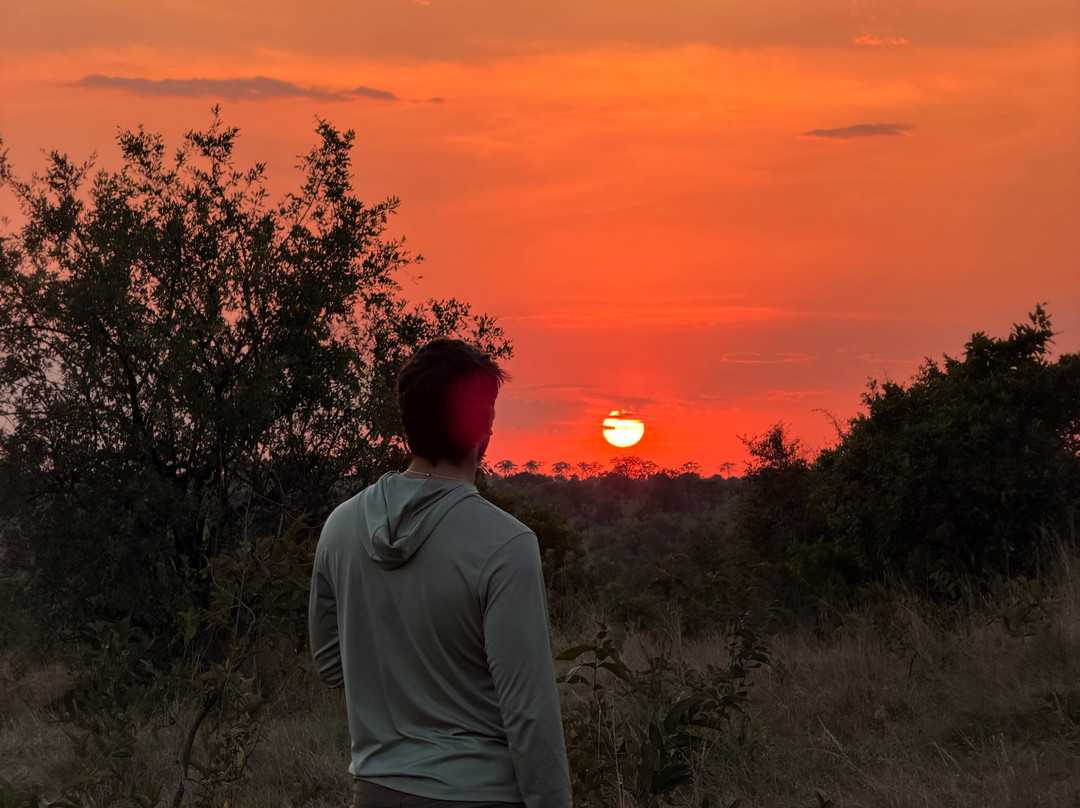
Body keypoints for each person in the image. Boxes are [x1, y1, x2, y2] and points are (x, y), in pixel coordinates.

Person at [308, 338, 572, 808]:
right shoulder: (507, 545)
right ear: (483, 428)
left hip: (374, 792)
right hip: (481, 794)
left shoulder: (341, 527)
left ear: (406, 421)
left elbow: (331, 664)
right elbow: (528, 714)